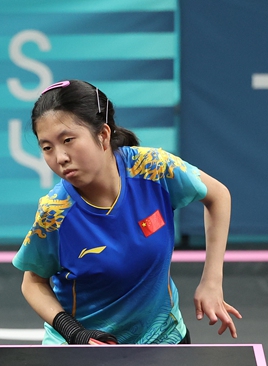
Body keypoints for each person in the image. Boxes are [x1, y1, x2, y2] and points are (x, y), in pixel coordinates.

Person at [13, 79, 240, 345]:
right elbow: (33, 283)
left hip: (162, 340)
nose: (60, 157)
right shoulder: (56, 213)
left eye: (68, 140)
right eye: (47, 147)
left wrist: (212, 282)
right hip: (85, 351)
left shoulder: (153, 170)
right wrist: (74, 333)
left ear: (103, 135)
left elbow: (218, 195)